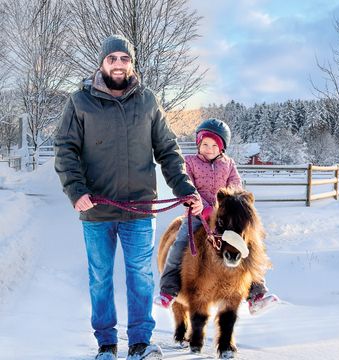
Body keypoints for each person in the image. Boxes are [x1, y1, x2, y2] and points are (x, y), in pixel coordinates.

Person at [54, 34, 203, 360]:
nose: (118, 65)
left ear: (132, 63)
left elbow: (167, 150)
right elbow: (65, 150)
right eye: (112, 59)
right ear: (102, 63)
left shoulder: (147, 101)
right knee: (100, 278)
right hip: (96, 210)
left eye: (124, 59)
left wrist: (185, 189)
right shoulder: (80, 102)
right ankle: (106, 344)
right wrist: (76, 191)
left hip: (139, 209)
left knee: (140, 277)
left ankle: (140, 342)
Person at [155, 118, 279, 315]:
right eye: (204, 144)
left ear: (222, 148)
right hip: (197, 215)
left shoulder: (228, 164)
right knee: (179, 244)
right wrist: (202, 207)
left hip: (224, 220)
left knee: (249, 245)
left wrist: (237, 205)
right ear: (198, 144)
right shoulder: (190, 162)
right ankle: (168, 290)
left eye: (214, 145)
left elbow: (236, 187)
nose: (209, 149)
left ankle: (256, 293)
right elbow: (188, 187)